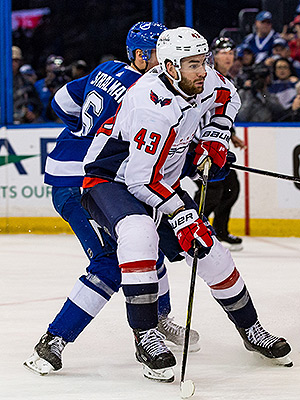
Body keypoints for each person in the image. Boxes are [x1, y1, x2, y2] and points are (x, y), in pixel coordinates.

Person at [81, 27, 292, 382]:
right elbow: (140, 180)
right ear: (170, 67)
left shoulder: (202, 78)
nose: (203, 70)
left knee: (211, 249)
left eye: (204, 61)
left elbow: (228, 94)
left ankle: (252, 329)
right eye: (193, 64)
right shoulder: (150, 105)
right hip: (113, 178)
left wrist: (215, 134)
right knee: (139, 234)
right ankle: (145, 334)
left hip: (159, 177)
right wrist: (181, 214)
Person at [23, 22, 199, 378]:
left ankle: (158, 321)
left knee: (143, 242)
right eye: (159, 54)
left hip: (97, 175)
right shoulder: (148, 91)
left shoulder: (105, 69)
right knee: (109, 263)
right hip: (81, 181)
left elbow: (62, 102)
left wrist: (84, 133)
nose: (168, 61)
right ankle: (53, 340)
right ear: (140, 56)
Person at [193, 37, 245, 251]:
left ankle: (220, 231)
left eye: (231, 53)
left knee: (231, 188)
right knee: (212, 188)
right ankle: (190, 229)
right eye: (223, 52)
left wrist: (229, 133)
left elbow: (220, 110)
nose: (228, 56)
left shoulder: (226, 79)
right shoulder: (205, 75)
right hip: (195, 144)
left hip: (213, 142)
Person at [12, 46, 43, 124]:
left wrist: (33, 114)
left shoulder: (25, 82)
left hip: (22, 122)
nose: (13, 64)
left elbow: (38, 104)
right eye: (11, 60)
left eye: (16, 61)